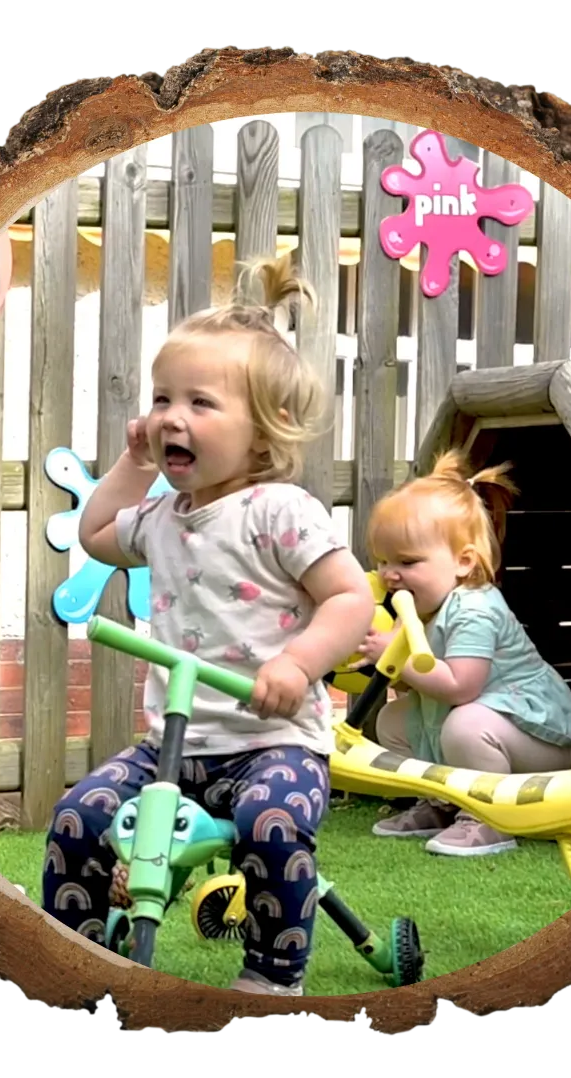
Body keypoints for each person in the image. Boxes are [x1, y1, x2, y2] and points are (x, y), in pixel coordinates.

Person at [41, 257, 375, 997]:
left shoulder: (279, 512)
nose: (171, 418)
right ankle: (77, 961)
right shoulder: (161, 516)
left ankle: (270, 977)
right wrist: (131, 463)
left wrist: (298, 664)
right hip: (175, 746)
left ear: (266, 430)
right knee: (79, 816)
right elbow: (95, 536)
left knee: (272, 824)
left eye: (200, 402)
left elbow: (351, 599)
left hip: (272, 743)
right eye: (162, 399)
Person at [351, 450, 571, 858]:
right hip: (479, 727)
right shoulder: (415, 607)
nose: (390, 574)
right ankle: (441, 805)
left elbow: (461, 687)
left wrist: (401, 662)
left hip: (536, 736)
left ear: (463, 562)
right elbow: (409, 683)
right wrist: (381, 663)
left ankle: (489, 818)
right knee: (391, 721)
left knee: (465, 724)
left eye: (408, 562)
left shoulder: (475, 609)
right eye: (383, 561)